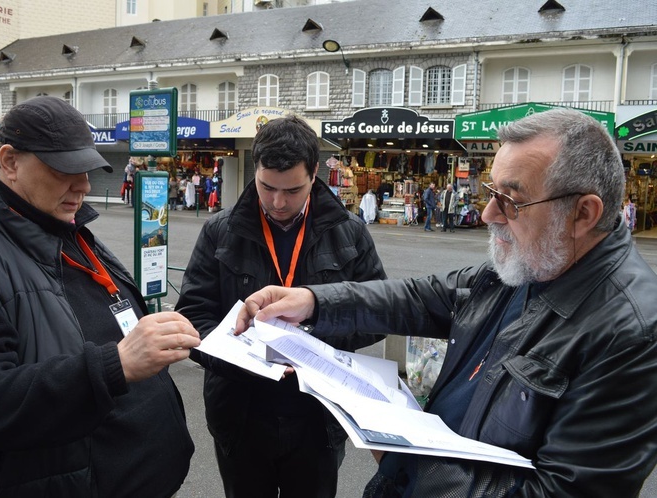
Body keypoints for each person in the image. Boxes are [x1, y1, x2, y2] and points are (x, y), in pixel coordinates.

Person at [234, 108, 657, 497]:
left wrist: (412, 461)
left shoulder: (631, 333)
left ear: (583, 214)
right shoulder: (535, 259)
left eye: (510, 199)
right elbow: (419, 296)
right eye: (491, 191)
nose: (489, 214)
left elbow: (561, 492)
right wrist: (313, 301)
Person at [0, 96, 201, 497]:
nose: (83, 185)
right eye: (65, 169)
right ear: (10, 162)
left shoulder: (62, 224)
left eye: (87, 169)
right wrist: (116, 364)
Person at [176, 115, 387, 498]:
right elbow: (193, 315)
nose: (277, 202)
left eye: (293, 190)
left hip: (318, 418)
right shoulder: (219, 231)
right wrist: (238, 356)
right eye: (266, 187)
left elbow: (378, 312)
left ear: (315, 173)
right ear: (254, 168)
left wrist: (311, 339)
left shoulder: (350, 232)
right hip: (240, 414)